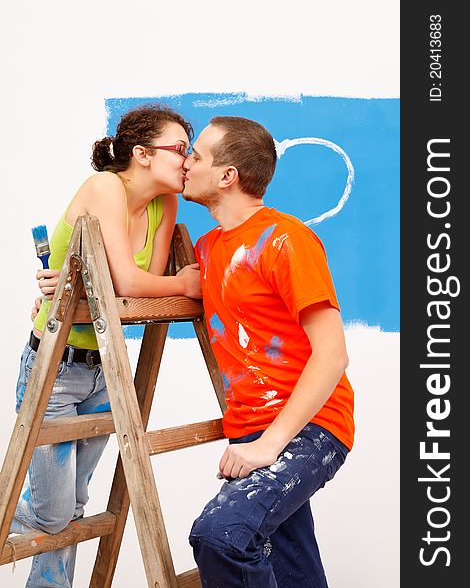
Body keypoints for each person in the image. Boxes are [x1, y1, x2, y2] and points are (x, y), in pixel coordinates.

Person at [12, 103, 201, 588]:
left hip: (104, 367)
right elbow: (133, 283)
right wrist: (182, 284)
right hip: (55, 367)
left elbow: (141, 289)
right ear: (141, 153)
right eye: (179, 149)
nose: (188, 159)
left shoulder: (164, 204)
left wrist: (152, 285)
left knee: (73, 508)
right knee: (53, 515)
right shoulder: (104, 187)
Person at [182, 116, 355, 587]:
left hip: (309, 428)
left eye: (194, 155)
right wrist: (62, 288)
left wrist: (270, 446)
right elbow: (145, 287)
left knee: (222, 536)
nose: (185, 163)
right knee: (289, 565)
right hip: (252, 432)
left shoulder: (285, 239)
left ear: (227, 175)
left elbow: (332, 354)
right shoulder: (208, 248)